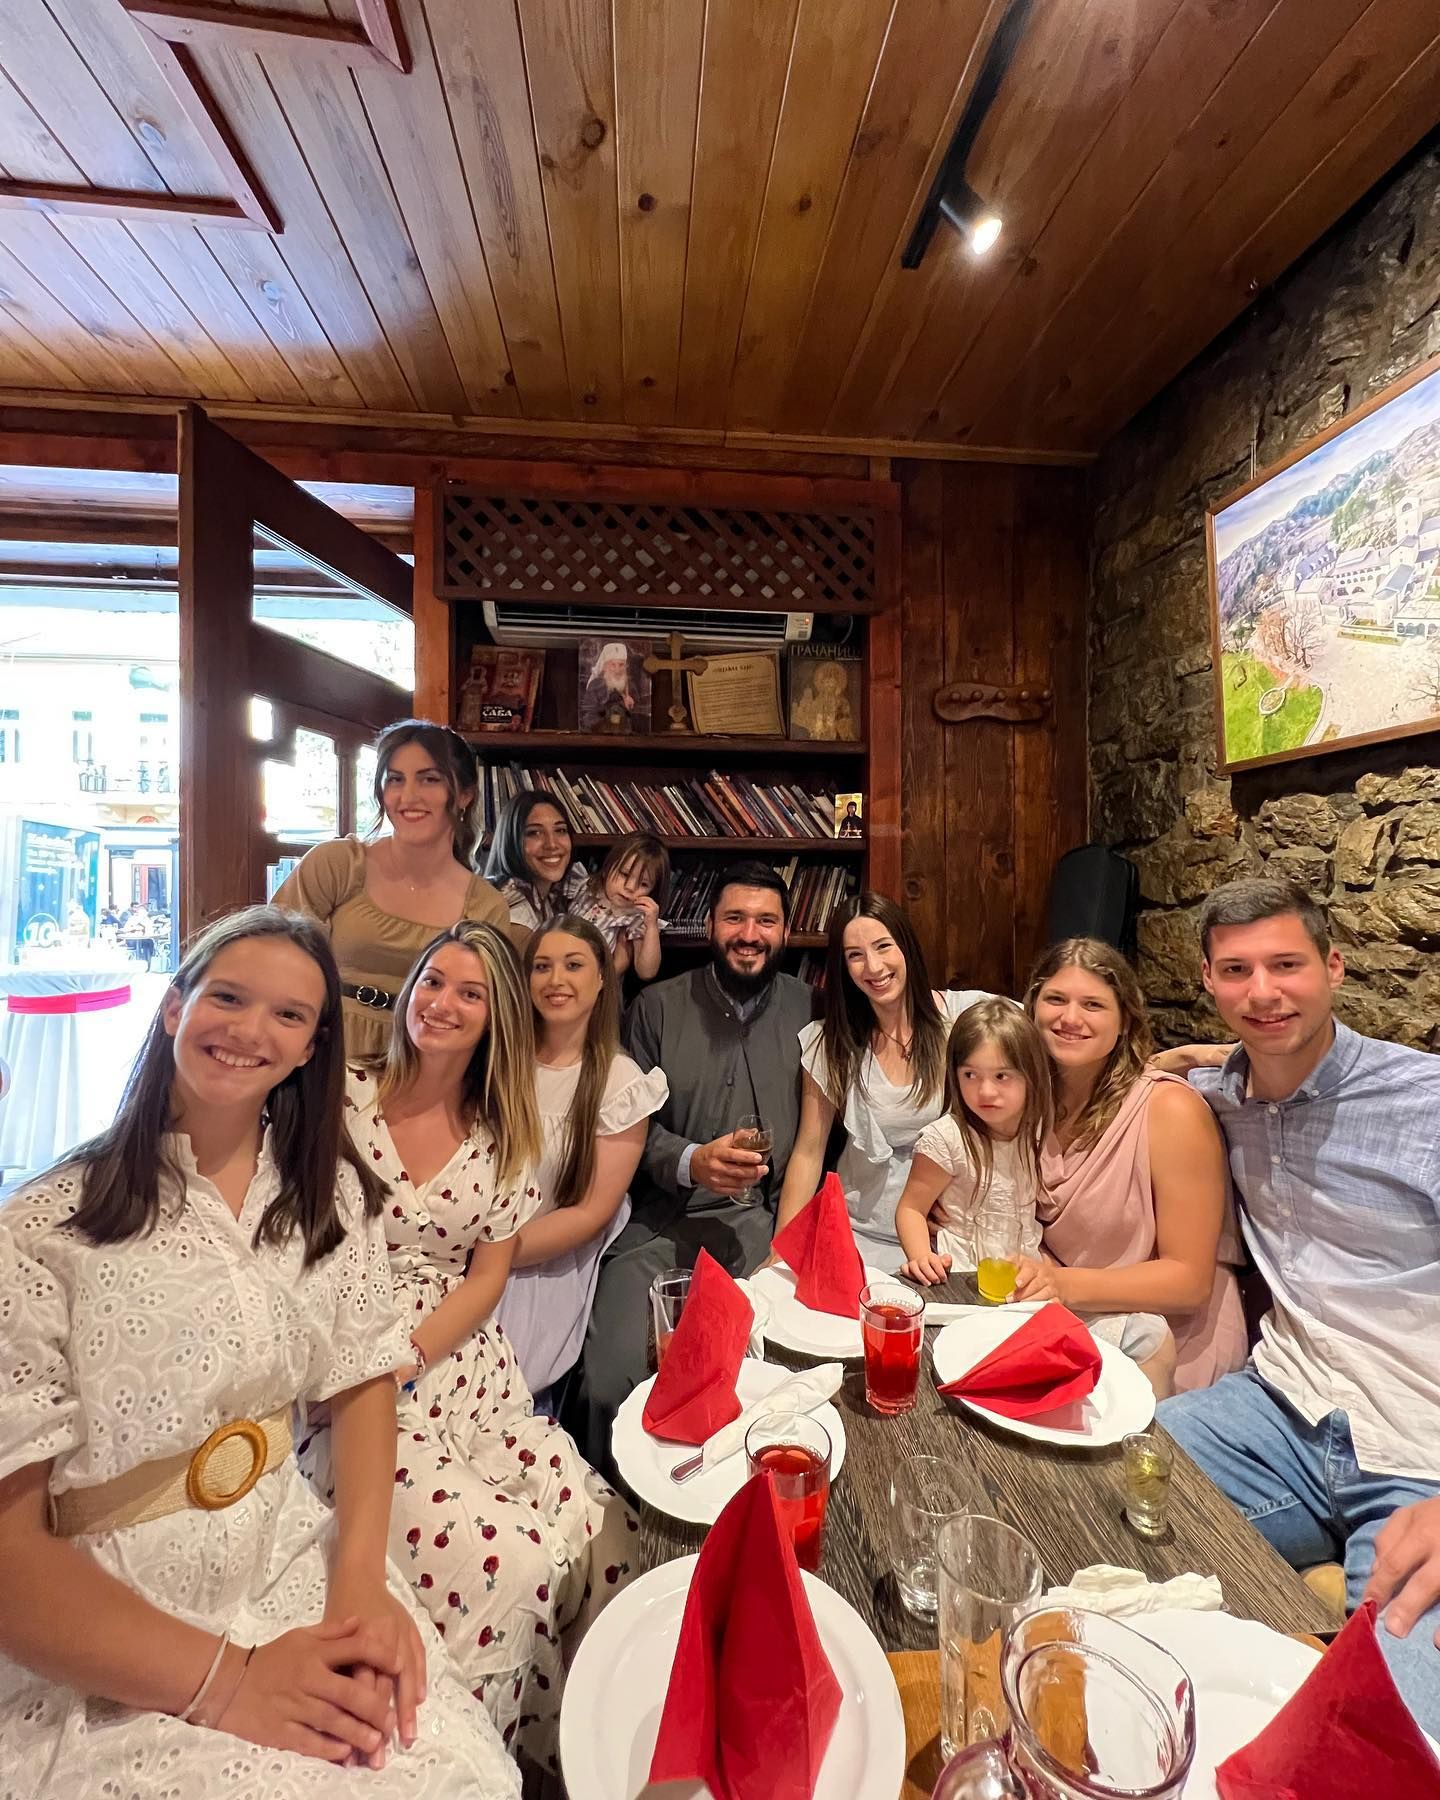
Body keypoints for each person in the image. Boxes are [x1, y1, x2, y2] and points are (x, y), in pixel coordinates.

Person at [0, 906, 517, 1798]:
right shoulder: (42, 1231)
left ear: (314, 1047)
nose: (248, 1032)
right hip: (120, 1627)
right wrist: (228, 1682)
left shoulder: (321, 1197)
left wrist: (358, 1579)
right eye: (228, 997)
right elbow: (12, 1560)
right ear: (172, 1007)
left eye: (287, 1016)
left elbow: (360, 1379)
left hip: (288, 1557)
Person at [298, 918, 634, 1771]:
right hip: (345, 1358)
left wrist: (414, 1354)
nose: (442, 1004)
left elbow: (486, 1278)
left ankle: (576, 1756)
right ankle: (464, 1757)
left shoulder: (503, 1140)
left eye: (470, 993)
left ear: (496, 1019)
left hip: (457, 1362)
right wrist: (374, 1363)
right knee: (510, 1561)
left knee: (604, 1536)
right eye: (432, 982)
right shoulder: (342, 1098)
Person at [1158, 877, 1440, 1735]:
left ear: (1336, 967)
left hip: (1421, 1455)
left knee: (1394, 1728)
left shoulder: (1424, 1101)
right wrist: (1181, 1064)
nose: (1263, 992)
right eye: (1236, 971)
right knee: (1095, 1501)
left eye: (1287, 965)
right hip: (1276, 1409)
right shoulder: (1226, 1095)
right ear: (1208, 982)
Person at [580, 861, 816, 1456]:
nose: (749, 933)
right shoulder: (657, 1009)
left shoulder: (811, 1008)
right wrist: (689, 1160)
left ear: (787, 931)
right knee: (608, 1382)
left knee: (777, 1387)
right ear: (710, 924)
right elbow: (623, 1125)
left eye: (766, 920)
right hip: (661, 1225)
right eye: (735, 917)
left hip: (765, 1228)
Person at [1016, 938, 1246, 1395]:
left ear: (1124, 1022)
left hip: (1174, 1341)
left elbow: (1189, 1281)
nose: (1070, 1018)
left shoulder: (1169, 1110)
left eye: (1093, 1005)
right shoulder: (1029, 1101)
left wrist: (1061, 1283)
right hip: (1073, 1315)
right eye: (1056, 999)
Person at [497, 917, 669, 1410]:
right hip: (472, 1246)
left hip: (543, 1260)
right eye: (542, 967)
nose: (556, 980)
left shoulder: (620, 1082)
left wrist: (494, 1255)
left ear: (601, 979)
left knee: (506, 1394)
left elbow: (591, 1213)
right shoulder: (500, 1062)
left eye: (574, 966)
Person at [775, 893, 996, 1271]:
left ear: (906, 947)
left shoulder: (964, 1019)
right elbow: (808, 1152)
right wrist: (781, 1251)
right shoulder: (830, 1043)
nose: (873, 966)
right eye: (855, 955)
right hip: (860, 1232)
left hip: (946, 1236)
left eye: (883, 947)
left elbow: (1046, 1030)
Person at [273, 719, 508, 1056]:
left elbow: (482, 1011)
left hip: (425, 1060)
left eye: (429, 779)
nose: (408, 796)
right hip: (323, 1050)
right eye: (395, 779)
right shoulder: (337, 864)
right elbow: (277, 963)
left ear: (465, 796)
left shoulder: (486, 906)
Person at [893, 997, 1047, 1283]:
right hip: (961, 1277)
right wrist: (922, 1256)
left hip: (1025, 1279)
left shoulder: (1040, 1131)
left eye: (1002, 1075)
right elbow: (911, 1208)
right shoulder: (947, 1139)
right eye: (970, 1075)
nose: (986, 1091)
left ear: (1031, 1074)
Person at [484, 789, 588, 934]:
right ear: (511, 841)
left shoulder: (546, 897)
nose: (552, 844)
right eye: (534, 833)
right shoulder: (515, 915)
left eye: (560, 830)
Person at [570, 831, 668, 979]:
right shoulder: (584, 888)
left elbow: (647, 972)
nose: (630, 887)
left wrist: (652, 927)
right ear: (608, 867)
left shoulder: (636, 918)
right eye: (624, 874)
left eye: (643, 884)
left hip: (601, 990)